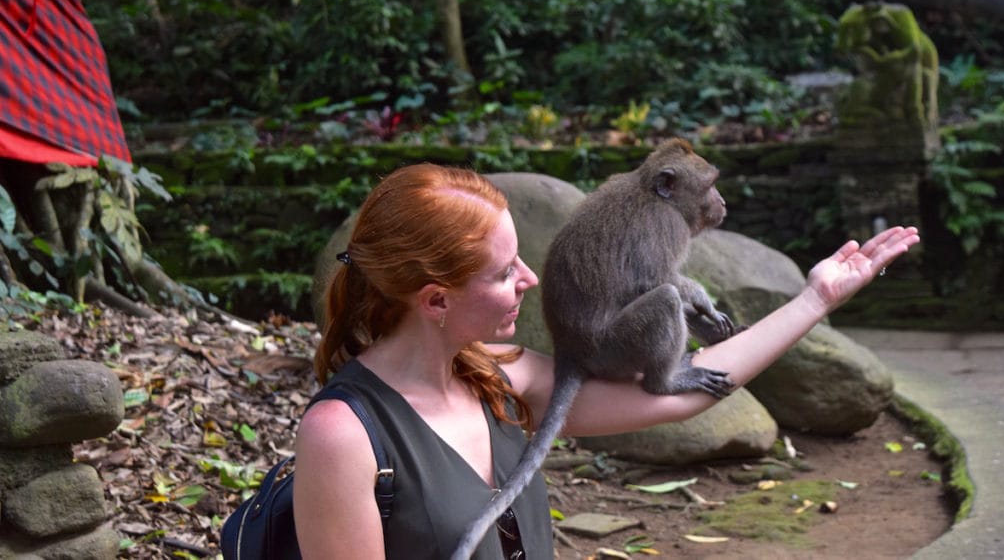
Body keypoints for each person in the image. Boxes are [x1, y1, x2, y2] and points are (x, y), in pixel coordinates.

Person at [292, 163, 920, 559]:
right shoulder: (343, 437)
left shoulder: (495, 376)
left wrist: (813, 301)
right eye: (506, 270)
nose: (531, 280)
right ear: (436, 299)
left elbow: (682, 394)